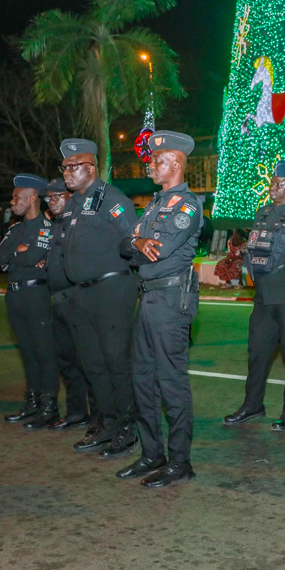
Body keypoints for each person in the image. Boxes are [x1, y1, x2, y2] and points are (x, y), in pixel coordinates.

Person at [116, 130, 202, 488]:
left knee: (171, 383)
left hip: (170, 301)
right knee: (142, 381)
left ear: (177, 163)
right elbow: (125, 245)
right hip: (148, 297)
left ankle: (180, 461)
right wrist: (138, 239)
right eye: (152, 159)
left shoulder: (187, 205)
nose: (151, 164)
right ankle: (152, 453)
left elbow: (161, 249)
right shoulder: (153, 204)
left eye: (158, 160)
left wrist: (142, 242)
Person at [59, 138, 139, 460]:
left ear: (90, 168)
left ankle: (127, 428)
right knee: (92, 364)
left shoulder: (113, 200)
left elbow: (134, 241)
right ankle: (105, 423)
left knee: (117, 363)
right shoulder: (73, 205)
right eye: (64, 167)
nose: (66, 173)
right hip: (82, 294)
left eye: (72, 167)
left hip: (111, 292)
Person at [224, 160, 285, 431]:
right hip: (263, 297)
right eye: (272, 182)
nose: (272, 187)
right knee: (257, 354)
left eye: (279, 184)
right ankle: (252, 405)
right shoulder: (262, 213)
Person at [0, 174, 61, 429]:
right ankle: (32, 403)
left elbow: (32, 256)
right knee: (28, 353)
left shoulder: (46, 227)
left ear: (32, 199)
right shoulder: (16, 230)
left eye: (16, 197)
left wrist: (19, 254)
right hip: (15, 296)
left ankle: (49, 407)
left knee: (44, 352)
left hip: (36, 295)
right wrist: (17, 251)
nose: (12, 202)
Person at [44, 178, 94, 432]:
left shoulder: (80, 223)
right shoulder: (56, 225)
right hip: (58, 300)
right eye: (48, 198)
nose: (52, 202)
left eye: (57, 197)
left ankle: (99, 418)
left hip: (77, 298)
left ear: (70, 197)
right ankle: (77, 413)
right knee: (67, 360)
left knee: (89, 361)